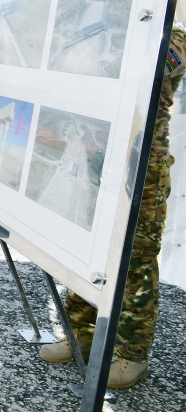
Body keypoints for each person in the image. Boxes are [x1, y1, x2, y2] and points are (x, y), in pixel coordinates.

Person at [40, 26, 186, 388]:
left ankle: (132, 356)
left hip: (142, 168)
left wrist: (100, 54)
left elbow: (144, 76)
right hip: (101, 159)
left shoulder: (174, 38)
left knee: (136, 260)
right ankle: (82, 334)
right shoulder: (112, 32)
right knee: (90, 250)